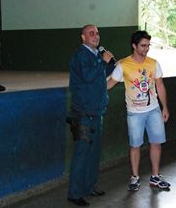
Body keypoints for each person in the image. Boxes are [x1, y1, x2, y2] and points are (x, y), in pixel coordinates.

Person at [107, 30, 170, 191]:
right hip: (134, 113)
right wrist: (92, 91)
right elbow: (110, 84)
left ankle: (155, 176)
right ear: (134, 46)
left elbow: (160, 85)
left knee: (156, 143)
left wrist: (165, 107)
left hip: (154, 110)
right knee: (135, 146)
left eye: (148, 45)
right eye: (143, 45)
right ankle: (135, 177)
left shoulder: (154, 63)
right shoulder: (123, 65)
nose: (146, 48)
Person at [67, 24, 115, 206]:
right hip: (83, 114)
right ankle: (74, 193)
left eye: (97, 33)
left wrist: (113, 65)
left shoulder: (96, 55)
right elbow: (88, 76)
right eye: (91, 33)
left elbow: (104, 73)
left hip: (97, 111)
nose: (96, 36)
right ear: (83, 37)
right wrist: (103, 61)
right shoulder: (80, 56)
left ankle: (88, 187)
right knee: (82, 153)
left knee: (94, 154)